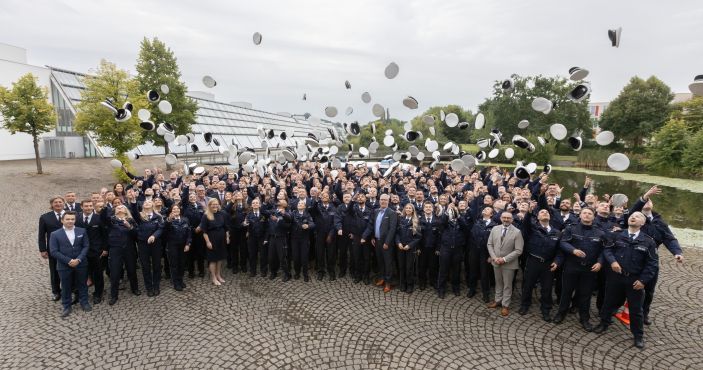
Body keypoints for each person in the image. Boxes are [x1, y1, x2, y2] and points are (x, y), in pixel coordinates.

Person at [593, 212, 659, 349]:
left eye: (638, 217)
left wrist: (643, 281)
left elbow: (652, 264)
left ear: (642, 223)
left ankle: (638, 336)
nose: (633, 217)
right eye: (632, 216)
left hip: (635, 281)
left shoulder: (648, 241)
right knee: (608, 301)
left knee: (636, 309)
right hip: (616, 277)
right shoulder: (617, 235)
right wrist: (612, 262)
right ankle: (603, 323)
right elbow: (607, 250)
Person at [629, 185, 684, 325]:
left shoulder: (660, 222)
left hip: (650, 260)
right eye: (645, 200)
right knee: (626, 287)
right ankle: (615, 310)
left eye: (650, 200)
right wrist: (646, 195)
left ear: (653, 205)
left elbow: (669, 238)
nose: (647, 202)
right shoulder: (634, 217)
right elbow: (634, 209)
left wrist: (677, 252)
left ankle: (644, 314)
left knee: (649, 291)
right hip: (632, 259)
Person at [552, 207, 606, 331]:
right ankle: (561, 313)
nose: (587, 215)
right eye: (584, 213)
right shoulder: (571, 228)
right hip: (572, 266)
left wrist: (600, 263)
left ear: (594, 216)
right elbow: (563, 243)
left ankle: (584, 319)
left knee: (585, 295)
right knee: (566, 292)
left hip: (589, 269)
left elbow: (604, 251)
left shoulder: (600, 233)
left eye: (589, 214)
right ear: (580, 215)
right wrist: (573, 250)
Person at [519, 196, 561, 321]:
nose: (544, 213)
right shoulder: (532, 228)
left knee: (547, 288)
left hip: (548, 264)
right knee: (528, 285)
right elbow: (525, 224)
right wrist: (529, 212)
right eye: (542, 212)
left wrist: (557, 261)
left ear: (550, 217)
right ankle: (525, 305)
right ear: (537, 217)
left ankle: (545, 309)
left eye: (547, 212)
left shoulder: (557, 232)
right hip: (533, 261)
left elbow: (559, 250)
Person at [49, 211, 91, 317]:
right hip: (64, 266)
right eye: (68, 219)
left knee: (82, 284)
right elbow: (54, 251)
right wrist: (68, 261)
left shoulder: (82, 231)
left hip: (81, 264)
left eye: (72, 219)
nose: (70, 221)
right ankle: (66, 306)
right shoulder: (55, 234)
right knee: (66, 286)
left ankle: (84, 302)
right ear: (62, 220)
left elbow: (86, 246)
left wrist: (79, 259)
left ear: (75, 220)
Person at [486, 212, 524, 316]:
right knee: (498, 282)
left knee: (507, 285)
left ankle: (505, 305)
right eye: (504, 217)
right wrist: (494, 258)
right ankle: (497, 300)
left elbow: (518, 250)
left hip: (509, 264)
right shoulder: (495, 229)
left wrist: (504, 259)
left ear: (512, 220)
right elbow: (490, 244)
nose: (506, 219)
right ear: (501, 218)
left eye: (508, 218)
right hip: (496, 262)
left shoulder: (517, 232)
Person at [106, 205, 140, 305]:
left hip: (129, 249)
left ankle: (135, 289)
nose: (119, 208)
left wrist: (129, 227)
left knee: (132, 270)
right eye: (117, 207)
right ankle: (114, 295)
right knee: (115, 273)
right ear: (115, 211)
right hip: (115, 249)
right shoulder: (112, 220)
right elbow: (104, 219)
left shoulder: (130, 220)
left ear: (126, 210)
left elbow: (137, 234)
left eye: (122, 207)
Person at [363, 194, 398, 293]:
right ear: (379, 201)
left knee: (388, 263)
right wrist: (373, 237)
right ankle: (382, 277)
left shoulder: (392, 213)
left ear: (388, 201)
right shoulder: (376, 211)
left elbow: (392, 229)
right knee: (380, 261)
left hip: (387, 242)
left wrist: (387, 242)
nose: (383, 201)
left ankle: (388, 282)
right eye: (381, 200)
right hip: (377, 241)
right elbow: (374, 225)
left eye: (385, 200)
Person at [75, 199, 107, 304]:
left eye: (90, 206)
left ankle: (98, 293)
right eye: (86, 206)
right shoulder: (76, 219)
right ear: (81, 207)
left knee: (98, 274)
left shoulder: (99, 218)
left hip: (96, 251)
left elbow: (105, 235)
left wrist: (105, 248)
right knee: (81, 273)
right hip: (81, 251)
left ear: (92, 207)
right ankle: (81, 294)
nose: (88, 208)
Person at [134, 200, 165, 297]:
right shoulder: (139, 216)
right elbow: (134, 212)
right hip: (143, 244)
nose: (147, 203)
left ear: (153, 205)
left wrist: (154, 236)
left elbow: (161, 228)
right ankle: (149, 287)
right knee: (145, 266)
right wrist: (133, 201)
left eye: (149, 202)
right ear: (142, 205)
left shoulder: (158, 216)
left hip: (155, 244)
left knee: (156, 265)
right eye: (145, 203)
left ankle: (156, 286)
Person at [38, 196, 66, 301]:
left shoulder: (71, 215)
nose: (58, 204)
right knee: (54, 270)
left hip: (69, 247)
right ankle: (56, 291)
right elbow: (41, 235)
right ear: (52, 204)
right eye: (55, 202)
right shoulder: (45, 217)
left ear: (64, 203)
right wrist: (42, 249)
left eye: (60, 202)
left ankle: (69, 289)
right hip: (53, 248)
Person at [468, 207, 498, 302]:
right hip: (474, 251)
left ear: (492, 214)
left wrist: (491, 255)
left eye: (488, 209)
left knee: (484, 273)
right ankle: (472, 289)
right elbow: (472, 235)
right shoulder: (477, 222)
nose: (485, 210)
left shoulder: (494, 225)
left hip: (486, 253)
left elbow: (495, 242)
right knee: (473, 271)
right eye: (484, 209)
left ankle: (486, 293)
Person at [200, 198, 230, 286]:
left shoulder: (221, 214)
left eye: (216, 204)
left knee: (220, 259)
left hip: (221, 239)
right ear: (209, 205)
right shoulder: (206, 215)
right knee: (213, 259)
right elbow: (204, 231)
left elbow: (226, 227)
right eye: (213, 204)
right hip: (212, 239)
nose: (215, 205)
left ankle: (218, 275)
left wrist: (227, 237)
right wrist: (208, 242)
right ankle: (213, 277)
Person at [396, 203, 422, 293]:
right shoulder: (400, 219)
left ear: (413, 210)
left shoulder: (416, 221)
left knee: (409, 267)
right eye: (406, 208)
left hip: (410, 248)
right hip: (400, 247)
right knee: (401, 267)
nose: (408, 209)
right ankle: (402, 284)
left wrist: (409, 245)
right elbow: (397, 234)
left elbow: (418, 237)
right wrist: (398, 242)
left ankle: (410, 285)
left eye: (410, 208)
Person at [164, 205, 191, 291]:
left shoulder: (185, 219)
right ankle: (176, 282)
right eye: (174, 209)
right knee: (174, 264)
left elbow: (189, 233)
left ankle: (180, 279)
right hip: (172, 245)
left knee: (182, 263)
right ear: (171, 211)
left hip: (183, 245)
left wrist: (188, 244)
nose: (176, 210)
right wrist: (169, 220)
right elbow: (165, 230)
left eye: (177, 208)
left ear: (180, 210)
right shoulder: (168, 220)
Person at [311, 192, 336, 281]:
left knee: (331, 254)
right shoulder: (317, 207)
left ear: (329, 198)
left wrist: (330, 234)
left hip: (330, 235)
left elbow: (335, 223)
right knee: (320, 254)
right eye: (323, 196)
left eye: (327, 196)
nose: (325, 197)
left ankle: (331, 271)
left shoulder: (333, 208)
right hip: (319, 234)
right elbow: (312, 210)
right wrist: (316, 200)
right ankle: (321, 271)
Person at [349, 193, 373, 284]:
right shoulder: (354, 209)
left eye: (362, 196)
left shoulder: (370, 211)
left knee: (366, 258)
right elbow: (349, 209)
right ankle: (358, 275)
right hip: (356, 237)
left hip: (366, 237)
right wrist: (353, 199)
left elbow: (370, 225)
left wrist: (364, 236)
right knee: (357, 257)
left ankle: (366, 276)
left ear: (365, 199)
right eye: (358, 197)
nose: (360, 198)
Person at [266, 199, 292, 281]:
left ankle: (287, 274)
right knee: (271, 257)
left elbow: (288, 224)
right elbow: (265, 214)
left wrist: (278, 219)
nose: (280, 202)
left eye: (282, 201)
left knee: (282, 257)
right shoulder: (273, 211)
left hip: (281, 238)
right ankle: (273, 272)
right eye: (279, 201)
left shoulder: (287, 213)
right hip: (272, 237)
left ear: (285, 204)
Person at [291, 199, 315, 281]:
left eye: (302, 204)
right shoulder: (293, 213)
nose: (300, 204)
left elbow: (312, 224)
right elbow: (288, 219)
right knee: (296, 257)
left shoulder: (307, 214)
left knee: (304, 257)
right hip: (295, 239)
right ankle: (297, 272)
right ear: (297, 206)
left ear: (305, 207)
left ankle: (305, 274)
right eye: (299, 203)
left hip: (304, 239)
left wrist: (308, 226)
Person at [418, 201, 440, 291]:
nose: (428, 208)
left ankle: (433, 281)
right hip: (422, 248)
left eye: (429, 207)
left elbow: (439, 236)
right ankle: (422, 282)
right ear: (423, 209)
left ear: (432, 209)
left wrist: (438, 248)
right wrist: (418, 247)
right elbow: (417, 236)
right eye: (426, 207)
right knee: (422, 266)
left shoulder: (437, 221)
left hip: (433, 248)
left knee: (433, 266)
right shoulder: (419, 220)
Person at [244, 198, 267, 277]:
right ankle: (252, 271)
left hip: (262, 237)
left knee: (263, 255)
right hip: (252, 237)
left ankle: (263, 270)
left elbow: (267, 227)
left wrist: (266, 238)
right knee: (252, 255)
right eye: (253, 203)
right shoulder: (248, 214)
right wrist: (244, 224)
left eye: (257, 203)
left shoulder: (264, 214)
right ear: (251, 205)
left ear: (260, 205)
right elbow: (244, 223)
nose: (255, 204)